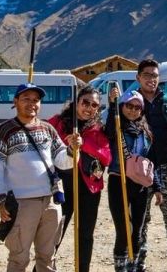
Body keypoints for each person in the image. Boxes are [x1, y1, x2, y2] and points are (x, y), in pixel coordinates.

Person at [0, 83, 76, 272]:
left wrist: (72, 150)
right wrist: (0, 200)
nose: (32, 103)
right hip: (21, 203)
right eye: (26, 99)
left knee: (47, 257)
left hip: (51, 202)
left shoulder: (48, 129)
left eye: (36, 100)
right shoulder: (4, 131)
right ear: (15, 102)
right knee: (19, 258)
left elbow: (63, 161)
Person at [47, 85, 111, 272]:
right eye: (85, 102)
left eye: (94, 105)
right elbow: (44, 144)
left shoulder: (99, 129)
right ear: (77, 102)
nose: (89, 108)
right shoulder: (57, 123)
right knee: (55, 232)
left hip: (89, 186)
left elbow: (107, 156)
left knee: (85, 234)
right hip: (62, 184)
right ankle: (43, 268)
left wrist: (83, 146)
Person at [133, 59, 167, 272]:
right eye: (147, 75)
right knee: (141, 217)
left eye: (155, 75)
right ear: (138, 77)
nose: (151, 79)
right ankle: (139, 261)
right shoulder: (132, 102)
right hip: (141, 168)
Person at [105, 89, 163, 272]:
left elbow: (151, 160)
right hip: (118, 181)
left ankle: (133, 266)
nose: (133, 110)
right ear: (122, 106)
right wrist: (112, 104)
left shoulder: (146, 131)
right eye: (129, 106)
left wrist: (157, 186)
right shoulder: (117, 126)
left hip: (140, 185)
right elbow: (108, 130)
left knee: (137, 231)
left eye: (137, 107)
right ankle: (120, 268)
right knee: (123, 231)